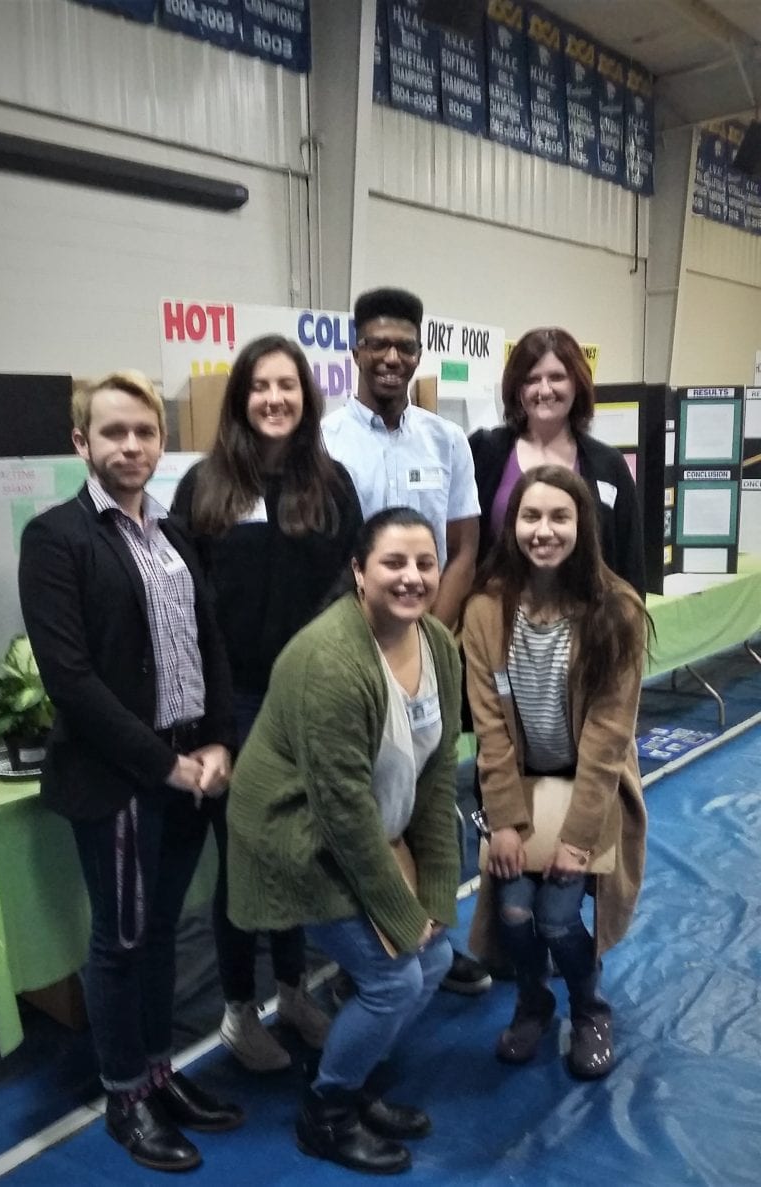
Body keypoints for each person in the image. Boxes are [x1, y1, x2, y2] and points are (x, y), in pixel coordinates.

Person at [18, 371, 243, 1173]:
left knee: (161, 935)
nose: (130, 446)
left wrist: (218, 742)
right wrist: (165, 765)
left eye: (144, 432)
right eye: (112, 432)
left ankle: (158, 1072)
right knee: (120, 939)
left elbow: (209, 642)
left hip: (189, 767)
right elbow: (72, 680)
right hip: (121, 776)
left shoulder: (173, 534)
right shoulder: (56, 538)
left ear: (161, 440)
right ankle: (124, 1095)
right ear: (82, 441)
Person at [227, 508, 462, 1173]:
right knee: (393, 979)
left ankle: (352, 1076)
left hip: (370, 826)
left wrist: (436, 894)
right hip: (296, 835)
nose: (412, 576)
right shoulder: (329, 659)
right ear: (359, 572)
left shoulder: (438, 644)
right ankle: (325, 1113)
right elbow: (342, 813)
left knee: (437, 958)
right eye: (393, 562)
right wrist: (402, 913)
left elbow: (439, 773)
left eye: (425, 563)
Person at [171, 334, 363, 1072]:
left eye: (288, 385)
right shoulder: (205, 487)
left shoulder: (331, 486)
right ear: (241, 399)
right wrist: (208, 719)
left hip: (308, 703)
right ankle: (237, 1012)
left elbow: (349, 587)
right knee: (245, 859)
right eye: (260, 386)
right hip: (234, 706)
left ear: (306, 398)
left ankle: (293, 992)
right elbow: (185, 605)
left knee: (295, 852)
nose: (275, 398)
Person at [322, 285, 488, 996]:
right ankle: (363, 960)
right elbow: (317, 557)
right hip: (351, 655)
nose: (391, 357)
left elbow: (464, 547)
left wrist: (429, 639)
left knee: (429, 795)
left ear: (419, 354)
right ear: (355, 350)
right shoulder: (324, 441)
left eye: (405, 346)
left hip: (425, 652)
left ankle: (434, 935)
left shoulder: (446, 440)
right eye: (378, 344)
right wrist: (364, 650)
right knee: (361, 804)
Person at [462, 465, 648, 1079]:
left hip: (588, 787)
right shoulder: (486, 610)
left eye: (559, 517)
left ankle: (589, 1007)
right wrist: (505, 821)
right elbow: (490, 726)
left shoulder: (615, 610)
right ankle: (533, 1001)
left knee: (557, 917)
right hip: (521, 789)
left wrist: (577, 837)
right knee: (514, 914)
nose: (544, 530)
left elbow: (608, 738)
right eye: (531, 516)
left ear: (582, 525)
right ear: (512, 524)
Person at [468, 326, 646, 597]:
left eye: (557, 377)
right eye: (531, 379)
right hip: (498, 613)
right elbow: (461, 547)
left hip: (587, 616)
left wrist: (630, 618)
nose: (544, 390)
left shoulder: (609, 465)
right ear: (517, 388)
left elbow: (630, 561)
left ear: (577, 384)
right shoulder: (484, 452)